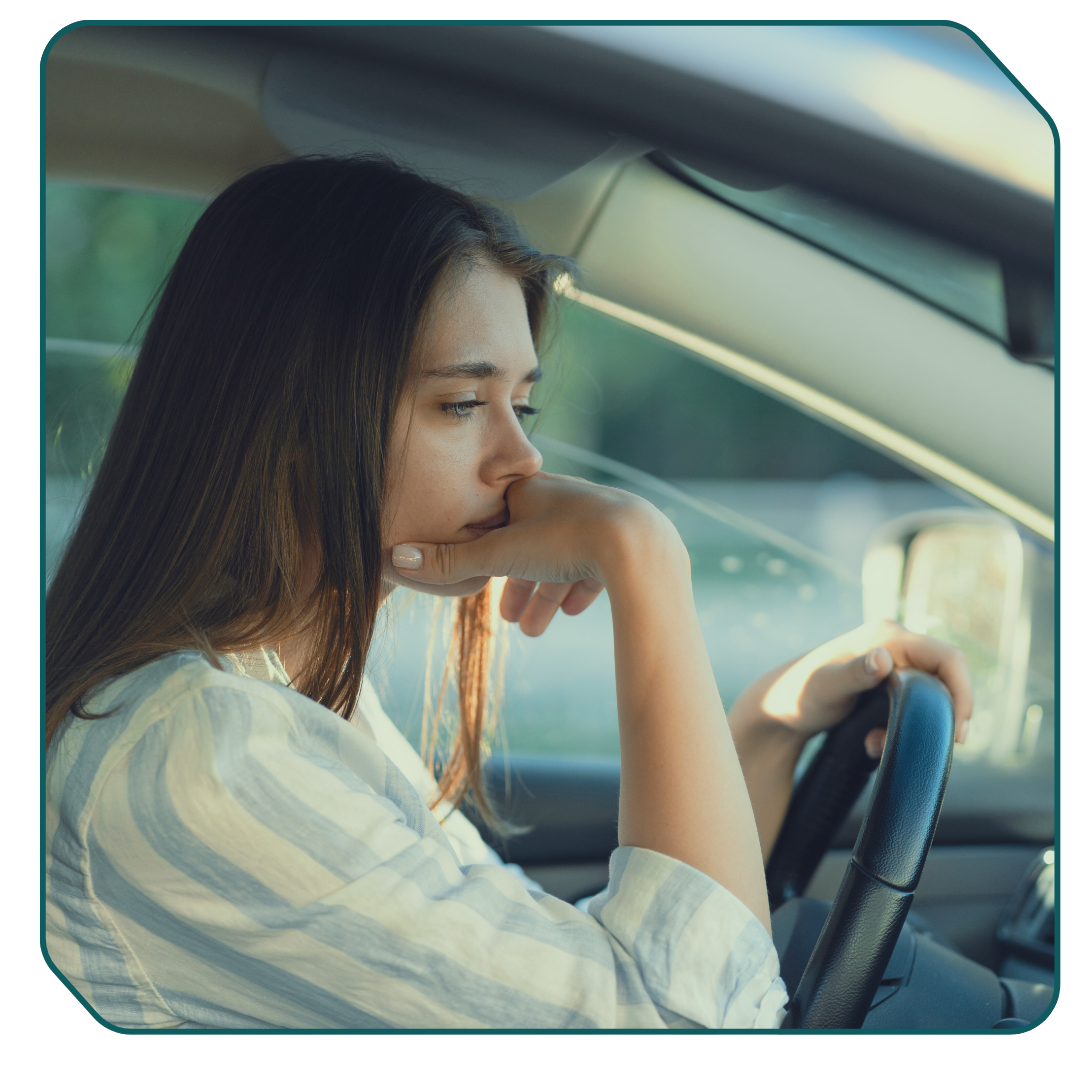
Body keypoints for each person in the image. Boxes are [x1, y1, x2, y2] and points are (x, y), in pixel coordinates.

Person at [44, 155, 972, 1030]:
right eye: (460, 404)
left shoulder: (272, 690)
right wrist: (642, 556)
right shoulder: (200, 757)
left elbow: (559, 972)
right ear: (290, 421)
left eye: (521, 405)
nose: (521, 457)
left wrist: (767, 727)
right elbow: (678, 1028)